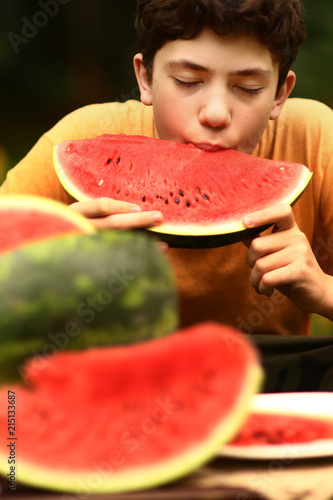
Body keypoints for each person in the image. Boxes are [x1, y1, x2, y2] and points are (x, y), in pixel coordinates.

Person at [1, 0, 333, 336]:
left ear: (279, 94)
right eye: (188, 81)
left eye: (248, 88)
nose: (216, 114)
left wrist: (324, 291)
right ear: (145, 78)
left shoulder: (315, 141)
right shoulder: (79, 141)